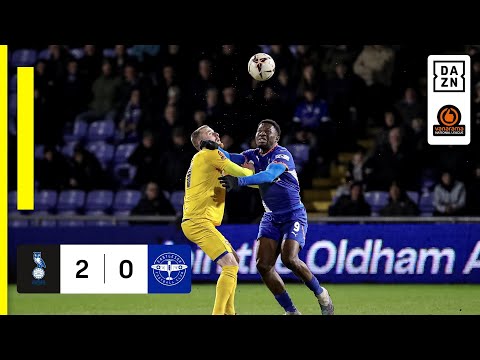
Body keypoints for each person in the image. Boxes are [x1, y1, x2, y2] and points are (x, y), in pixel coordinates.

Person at [217, 119, 334, 315]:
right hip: (271, 217)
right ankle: (291, 311)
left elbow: (268, 176)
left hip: (293, 215)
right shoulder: (252, 155)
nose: (261, 134)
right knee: (263, 266)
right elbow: (230, 157)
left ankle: (322, 294)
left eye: (267, 132)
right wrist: (212, 149)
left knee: (289, 259)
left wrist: (240, 181)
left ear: (276, 138)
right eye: (259, 131)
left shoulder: (282, 154)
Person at [181, 125, 254, 315]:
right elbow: (240, 173)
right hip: (198, 221)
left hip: (197, 221)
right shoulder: (209, 153)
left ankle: (230, 312)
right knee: (230, 264)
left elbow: (232, 170)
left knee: (234, 261)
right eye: (210, 133)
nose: (216, 134)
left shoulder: (203, 159)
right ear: (202, 142)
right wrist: (251, 171)